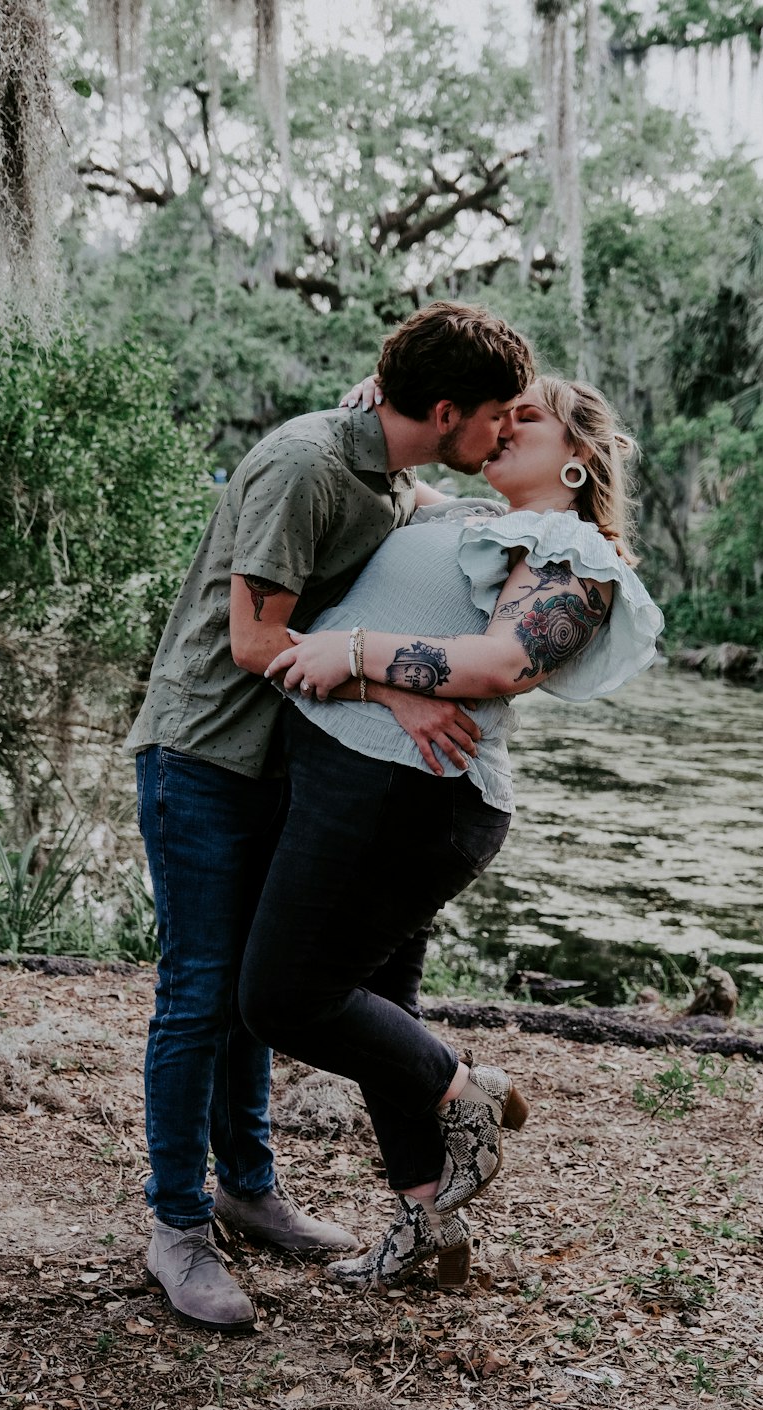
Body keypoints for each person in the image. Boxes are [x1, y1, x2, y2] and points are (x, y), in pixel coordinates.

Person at [124, 302, 536, 1332]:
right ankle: (176, 1224)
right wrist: (393, 691)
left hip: (283, 762)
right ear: (445, 411)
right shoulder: (303, 465)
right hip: (205, 753)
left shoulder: (392, 468)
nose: (504, 432)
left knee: (256, 985)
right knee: (201, 993)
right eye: (496, 417)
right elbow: (258, 642)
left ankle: (247, 1187)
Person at [239, 374, 664, 1292]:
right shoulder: (464, 511)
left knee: (280, 997)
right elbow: (400, 452)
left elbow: (505, 662)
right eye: (499, 411)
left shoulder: (574, 550)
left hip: (408, 795)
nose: (503, 424)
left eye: (529, 416)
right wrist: (397, 389)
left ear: (581, 460)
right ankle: (427, 1225)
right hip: (358, 776)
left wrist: (354, 653)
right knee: (380, 1001)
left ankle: (466, 1089)